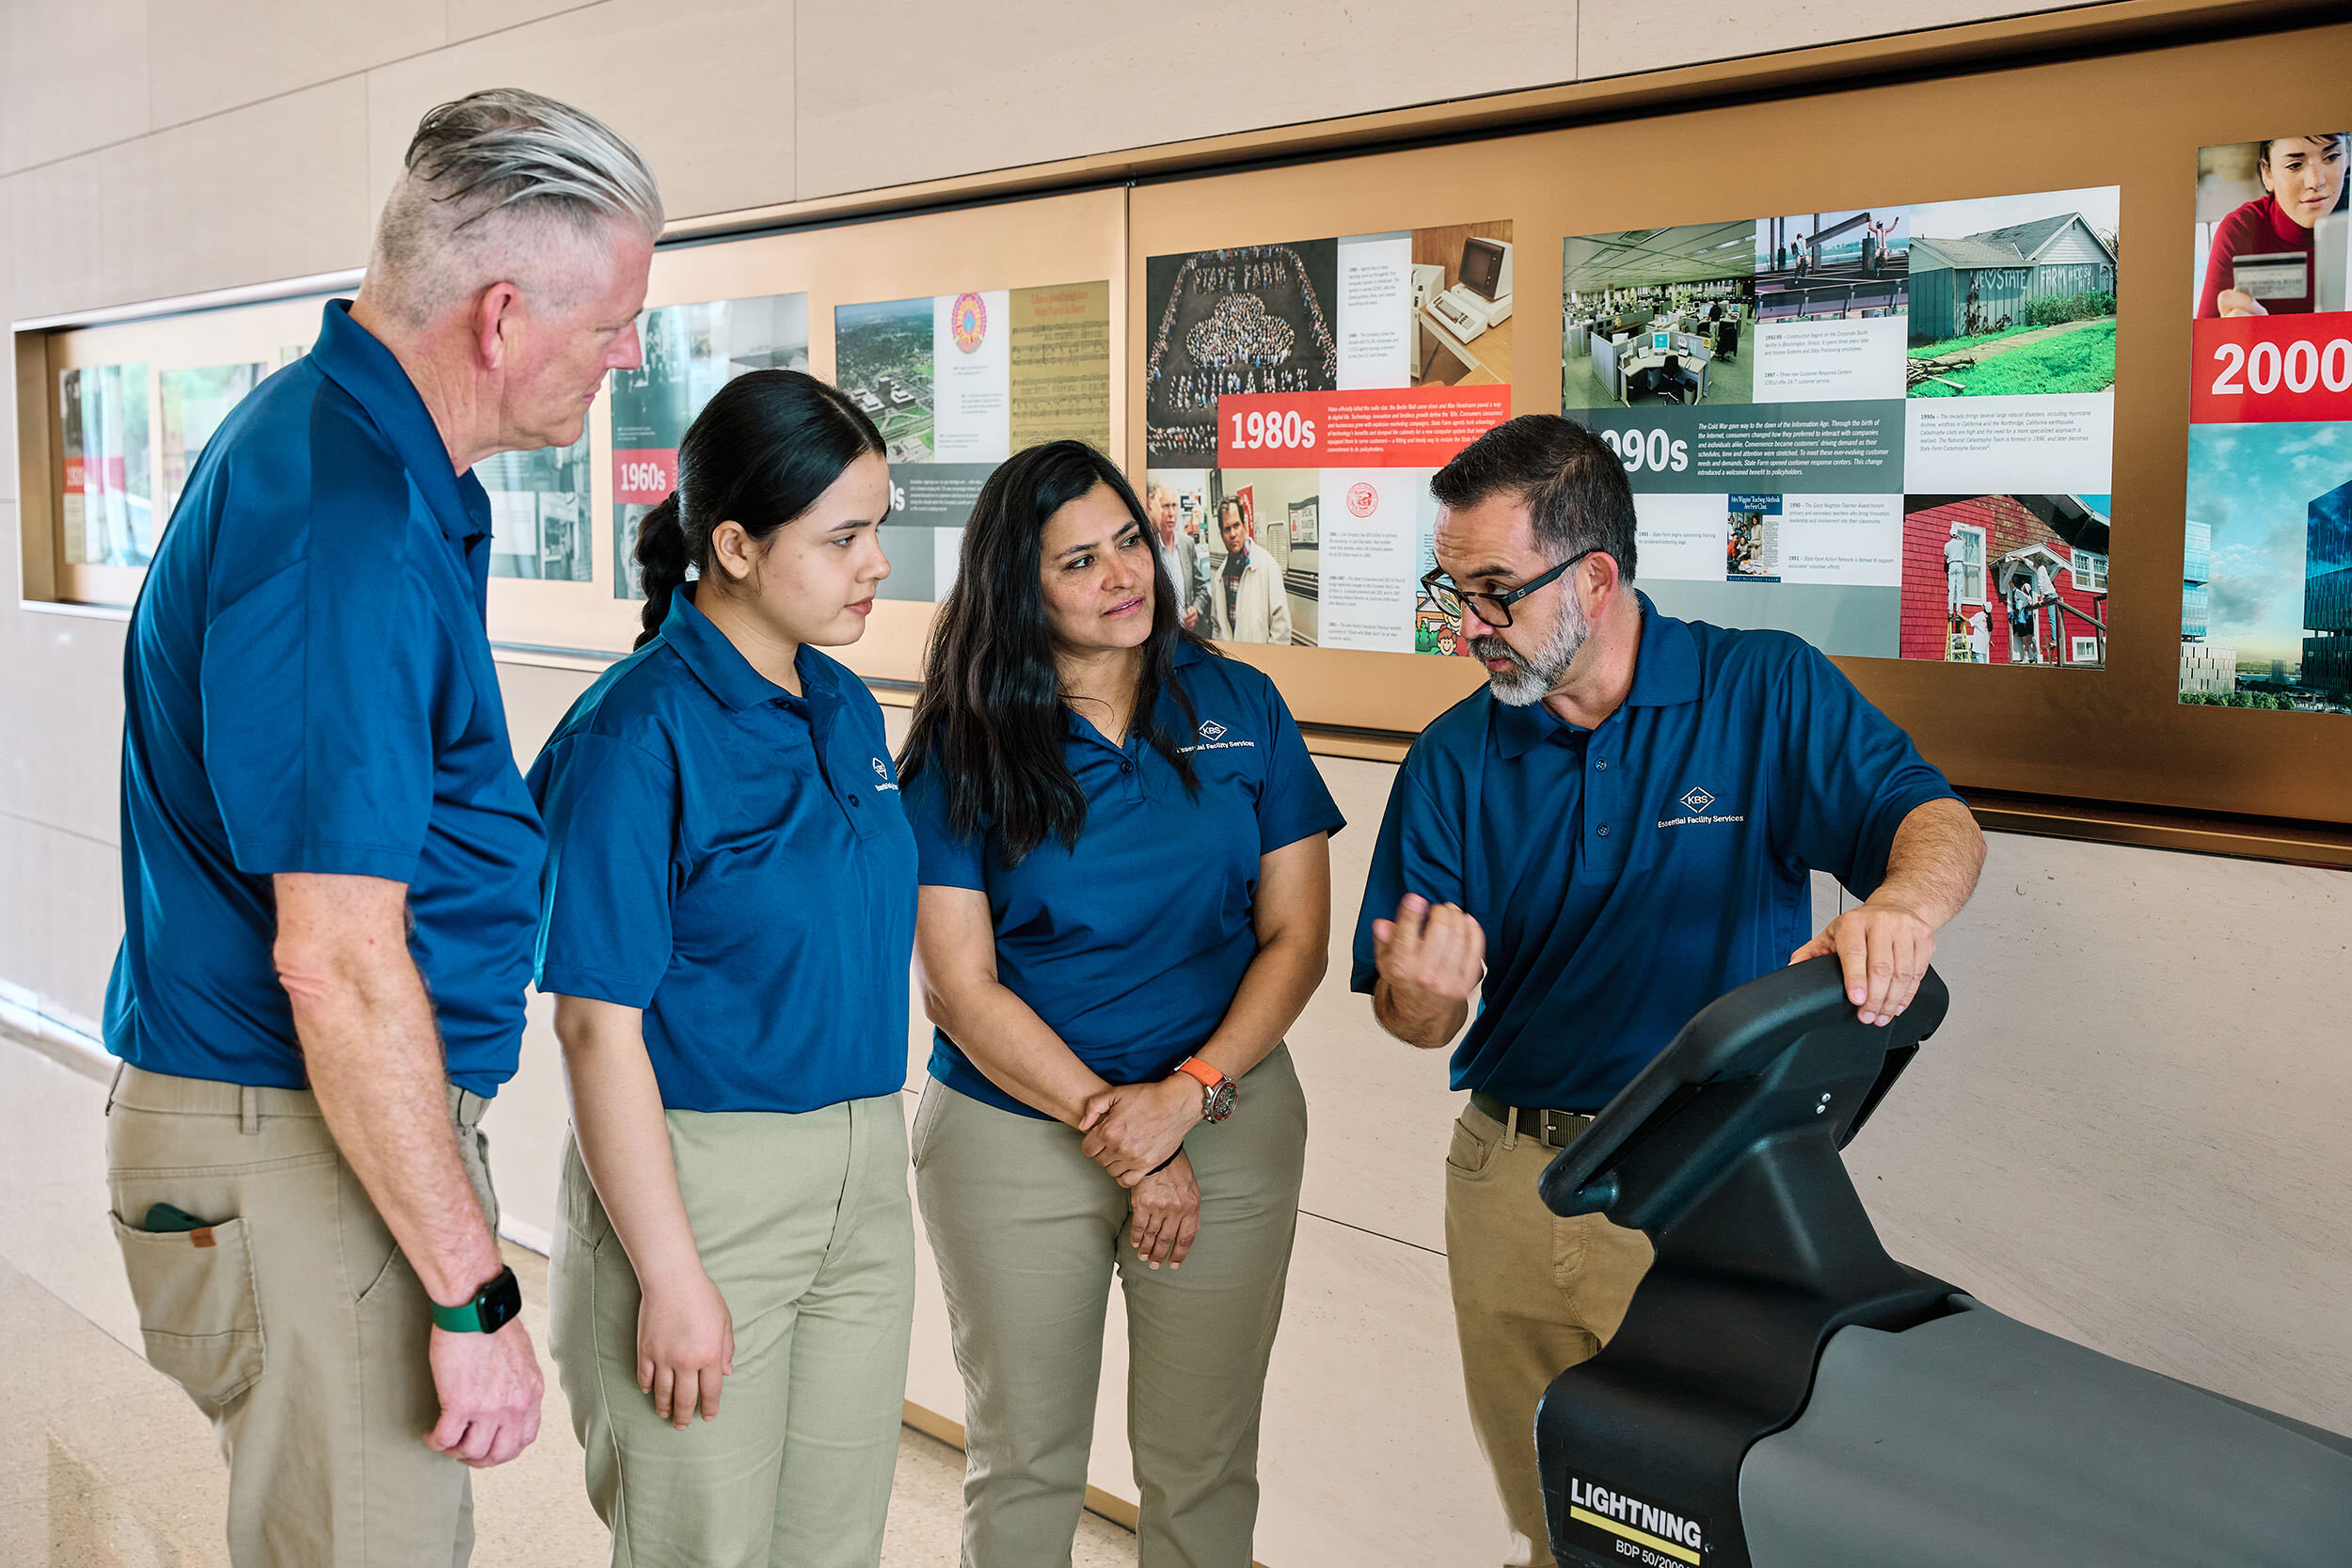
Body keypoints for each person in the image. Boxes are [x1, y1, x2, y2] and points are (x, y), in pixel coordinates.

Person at [100, 89, 660, 1565]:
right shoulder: (340, 521)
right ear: (500, 318)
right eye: (613, 324)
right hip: (297, 1129)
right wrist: (475, 1292)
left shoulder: (375, 468)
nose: (631, 356)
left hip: (320, 1123)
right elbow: (337, 964)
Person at [1358, 416, 1983, 1568]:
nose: (1467, 626)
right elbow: (1417, 1018)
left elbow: (1933, 820)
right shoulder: (1453, 756)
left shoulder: (1761, 689)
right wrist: (1417, 993)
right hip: (1515, 1181)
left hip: (1709, 1182)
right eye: (1451, 589)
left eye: (1494, 591)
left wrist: (1903, 906)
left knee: (1710, 1533)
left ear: (1593, 577)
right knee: (1557, 1528)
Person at [898, 440, 1342, 1566]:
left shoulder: (1240, 700)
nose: (1121, 575)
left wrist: (1184, 1100)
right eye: (1078, 560)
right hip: (1015, 1132)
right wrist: (1131, 1136)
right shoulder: (966, 742)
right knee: (1026, 1462)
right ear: (1018, 587)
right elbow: (959, 987)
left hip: (1227, 1118)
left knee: (1203, 1464)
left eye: (1128, 542)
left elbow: (1296, 939)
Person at [528, 371, 915, 1566]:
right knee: (703, 1545)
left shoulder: (843, 702)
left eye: (877, 531)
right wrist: (671, 1270)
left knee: (831, 1541)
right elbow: (596, 1028)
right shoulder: (633, 736)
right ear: (735, 544)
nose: (875, 565)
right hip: (701, 1181)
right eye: (843, 536)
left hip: (861, 1168)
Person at [2200, 134, 2347, 318]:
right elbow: (2204, 342)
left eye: (2332, 157)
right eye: (2294, 165)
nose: (2316, 182)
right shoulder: (2240, 230)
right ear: (2267, 174)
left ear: (2347, 157)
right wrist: (2234, 336)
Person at [1212, 496, 1294, 643]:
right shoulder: (1220, 576)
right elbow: (1217, 626)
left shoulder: (1267, 566)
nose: (1232, 534)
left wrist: (1266, 662)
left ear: (1244, 526)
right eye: (1227, 529)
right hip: (1230, 662)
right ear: (1222, 535)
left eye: (1236, 525)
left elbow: (1281, 627)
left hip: (1260, 662)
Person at [1146, 476, 1212, 630]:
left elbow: (1202, 589)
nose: (1171, 513)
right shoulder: (1150, 547)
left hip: (1187, 634)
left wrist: (1196, 609)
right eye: (1166, 506)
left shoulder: (1186, 544)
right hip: (1161, 634)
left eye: (1174, 506)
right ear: (1154, 508)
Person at [1945, 522, 1970, 615]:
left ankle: (1950, 611)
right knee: (1959, 589)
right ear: (1956, 535)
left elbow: (1945, 557)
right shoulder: (1960, 543)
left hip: (1951, 565)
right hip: (1959, 565)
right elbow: (1964, 540)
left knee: (1951, 590)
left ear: (1950, 534)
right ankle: (1958, 610)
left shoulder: (1947, 545)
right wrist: (1958, 535)